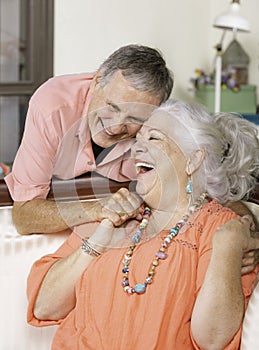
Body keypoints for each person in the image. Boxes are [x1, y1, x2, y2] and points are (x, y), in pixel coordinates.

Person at [27, 100, 259, 349]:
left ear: (193, 160)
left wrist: (228, 246)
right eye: (138, 139)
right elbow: (45, 306)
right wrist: (99, 239)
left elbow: (212, 339)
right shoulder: (116, 212)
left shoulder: (219, 229)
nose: (137, 148)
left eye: (154, 138)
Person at [4, 44, 174, 235]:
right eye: (112, 107)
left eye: (134, 119)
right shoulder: (53, 105)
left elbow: (171, 196)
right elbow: (24, 216)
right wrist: (96, 209)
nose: (116, 127)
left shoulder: (156, 125)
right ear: (97, 81)